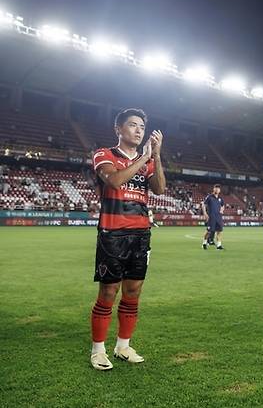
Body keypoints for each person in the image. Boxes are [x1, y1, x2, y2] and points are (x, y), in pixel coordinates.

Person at [89, 108, 166, 371]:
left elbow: (160, 189)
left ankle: (123, 345)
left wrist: (155, 156)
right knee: (109, 291)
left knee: (133, 291)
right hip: (113, 233)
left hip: (141, 233)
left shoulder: (148, 160)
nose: (138, 130)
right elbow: (114, 181)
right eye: (132, 125)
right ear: (118, 129)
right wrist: (143, 158)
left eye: (142, 127)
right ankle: (98, 350)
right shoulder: (104, 154)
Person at [201, 184, 225, 250]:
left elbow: (223, 205)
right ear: (213, 189)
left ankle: (219, 245)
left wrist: (222, 210)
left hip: (218, 217)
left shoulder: (220, 199)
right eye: (216, 188)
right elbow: (203, 205)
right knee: (208, 231)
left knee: (219, 231)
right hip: (211, 217)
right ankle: (204, 243)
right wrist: (205, 213)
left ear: (220, 190)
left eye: (218, 188)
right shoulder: (209, 197)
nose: (217, 189)